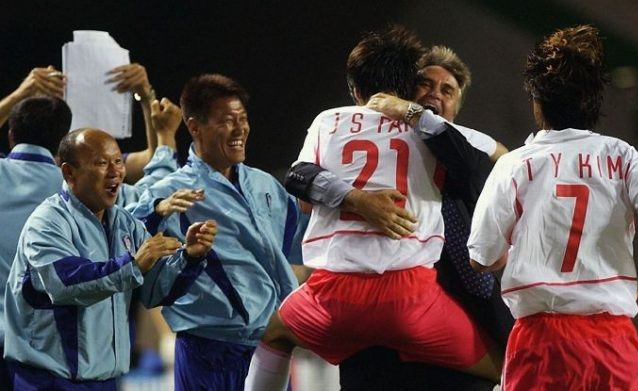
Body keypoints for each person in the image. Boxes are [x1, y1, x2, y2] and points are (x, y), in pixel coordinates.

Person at [244, 26, 501, 391]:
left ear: (353, 89)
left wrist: (351, 197)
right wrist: (359, 198)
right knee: (503, 363)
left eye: (448, 90)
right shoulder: (434, 130)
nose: (435, 96)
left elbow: (298, 177)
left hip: (335, 294)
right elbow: (494, 163)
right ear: (410, 83)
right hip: (411, 295)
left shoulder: (329, 120)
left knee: (273, 334)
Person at [467, 25, 638, 390]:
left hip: (542, 339)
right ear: (593, 102)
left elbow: (481, 258)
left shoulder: (517, 164)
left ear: (537, 102)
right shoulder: (619, 155)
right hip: (611, 340)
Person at [3, 128, 218, 389]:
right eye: (101, 163)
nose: (115, 171)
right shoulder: (47, 222)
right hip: (48, 381)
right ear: (69, 173)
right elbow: (66, 284)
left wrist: (189, 258)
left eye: (117, 161)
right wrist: (133, 264)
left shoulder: (126, 224)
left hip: (106, 380)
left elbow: (153, 292)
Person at [129, 73, 299, 390]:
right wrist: (163, 220)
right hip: (206, 351)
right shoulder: (173, 191)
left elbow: (297, 249)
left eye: (243, 119)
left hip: (269, 346)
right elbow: (129, 228)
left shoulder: (266, 185)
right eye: (226, 121)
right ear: (194, 127)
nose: (240, 129)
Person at [0, 95, 71, 389]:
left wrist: (20, 92)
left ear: (11, 134)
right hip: (47, 352)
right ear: (63, 140)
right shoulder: (77, 190)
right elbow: (150, 163)